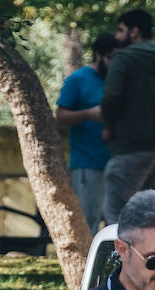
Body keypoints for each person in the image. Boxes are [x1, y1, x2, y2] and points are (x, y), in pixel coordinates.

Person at [99, 8, 155, 226]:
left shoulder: (123, 59)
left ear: (134, 31)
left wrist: (108, 126)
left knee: (117, 215)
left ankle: (121, 260)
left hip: (130, 148)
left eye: (120, 31)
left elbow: (111, 100)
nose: (117, 37)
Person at [56, 32, 118, 230]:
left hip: (117, 162)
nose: (114, 64)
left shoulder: (118, 79)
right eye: (111, 58)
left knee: (116, 223)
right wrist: (89, 114)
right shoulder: (78, 79)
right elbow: (60, 116)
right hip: (87, 163)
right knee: (88, 221)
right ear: (99, 55)